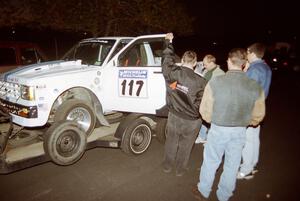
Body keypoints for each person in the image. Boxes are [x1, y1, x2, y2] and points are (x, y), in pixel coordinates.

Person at [192, 48, 266, 201]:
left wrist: (214, 120)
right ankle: (224, 196)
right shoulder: (255, 86)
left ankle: (203, 190)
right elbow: (258, 114)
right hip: (240, 131)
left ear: (228, 61)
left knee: (211, 162)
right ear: (244, 64)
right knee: (232, 165)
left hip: (218, 129)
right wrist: (247, 122)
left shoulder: (215, 82)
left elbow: (204, 110)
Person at [161, 33, 206, 176]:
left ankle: (167, 166)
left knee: (171, 142)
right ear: (195, 63)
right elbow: (203, 104)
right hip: (192, 121)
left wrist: (168, 41)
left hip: (174, 116)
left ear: (183, 60)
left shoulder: (173, 72)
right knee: (186, 146)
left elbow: (167, 58)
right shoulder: (202, 82)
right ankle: (180, 170)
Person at [237, 43, 272, 179]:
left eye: (247, 52)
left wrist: (244, 72)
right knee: (253, 139)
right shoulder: (265, 67)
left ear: (252, 53)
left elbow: (245, 91)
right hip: (259, 108)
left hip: (250, 109)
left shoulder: (254, 69)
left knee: (246, 140)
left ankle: (246, 170)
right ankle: (252, 164)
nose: (246, 55)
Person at [195, 54, 225, 144]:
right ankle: (202, 136)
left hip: (214, 100)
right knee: (204, 118)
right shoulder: (208, 71)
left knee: (211, 120)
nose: (204, 66)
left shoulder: (220, 74)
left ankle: (210, 139)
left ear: (212, 62)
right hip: (205, 98)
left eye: (205, 64)